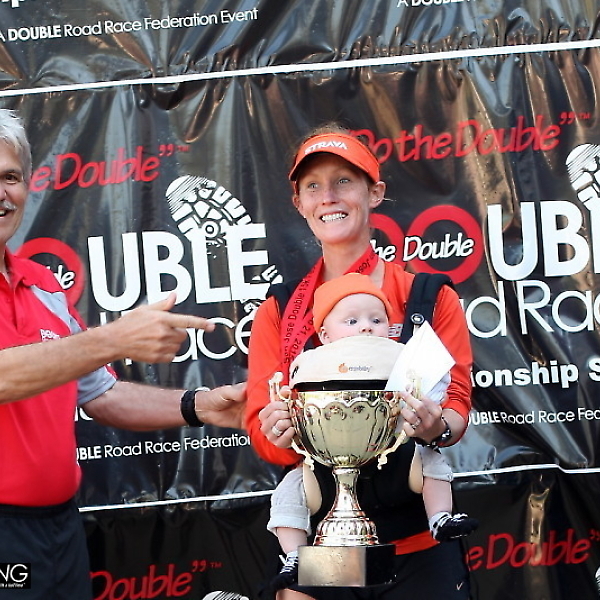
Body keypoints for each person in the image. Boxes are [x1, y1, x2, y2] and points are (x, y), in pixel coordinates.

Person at [0, 108, 246, 600]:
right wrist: (113, 339)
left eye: (10, 177)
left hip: (60, 531)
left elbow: (101, 394)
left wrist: (202, 406)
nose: (2, 193)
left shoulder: (43, 284)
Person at [246, 123, 474, 600]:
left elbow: (455, 406)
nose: (328, 196)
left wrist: (435, 427)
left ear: (375, 193)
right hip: (327, 541)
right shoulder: (280, 311)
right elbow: (263, 432)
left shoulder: (428, 297)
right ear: (299, 203)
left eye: (344, 181)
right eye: (313, 186)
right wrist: (279, 431)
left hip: (418, 542)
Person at [266, 273, 478, 593]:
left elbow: (448, 396)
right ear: (323, 334)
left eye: (376, 320)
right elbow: (282, 411)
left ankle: (440, 518)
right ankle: (294, 555)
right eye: (351, 321)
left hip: (400, 475)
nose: (365, 327)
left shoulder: (403, 357)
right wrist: (281, 420)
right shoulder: (307, 362)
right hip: (324, 482)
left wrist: (432, 422)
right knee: (288, 492)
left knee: (431, 460)